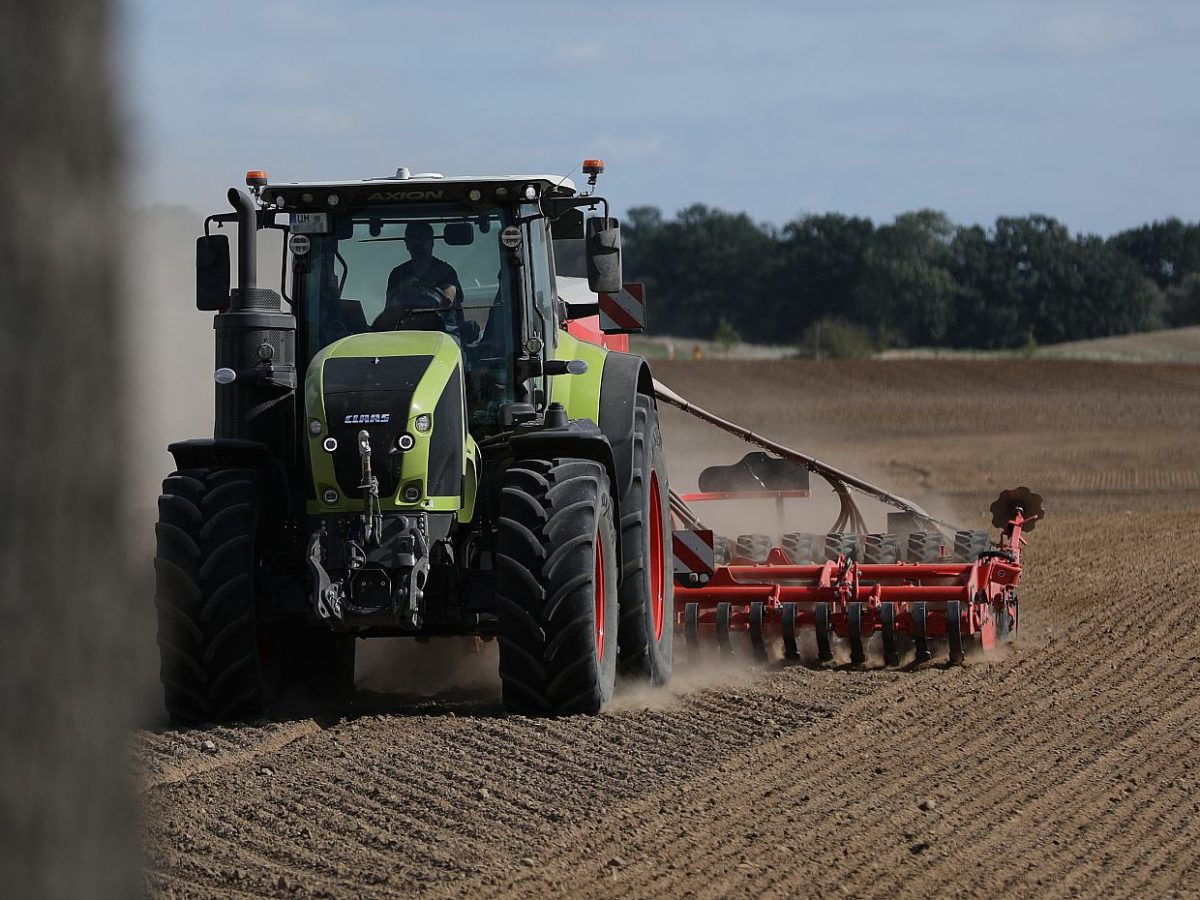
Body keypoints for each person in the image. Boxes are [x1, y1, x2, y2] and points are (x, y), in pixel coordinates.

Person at [373, 221, 468, 334]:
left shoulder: (446, 272)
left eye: (423, 237)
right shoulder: (398, 274)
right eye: (413, 238)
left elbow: (448, 297)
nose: (418, 242)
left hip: (443, 334)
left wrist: (438, 298)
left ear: (432, 242)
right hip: (403, 334)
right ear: (407, 243)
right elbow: (391, 309)